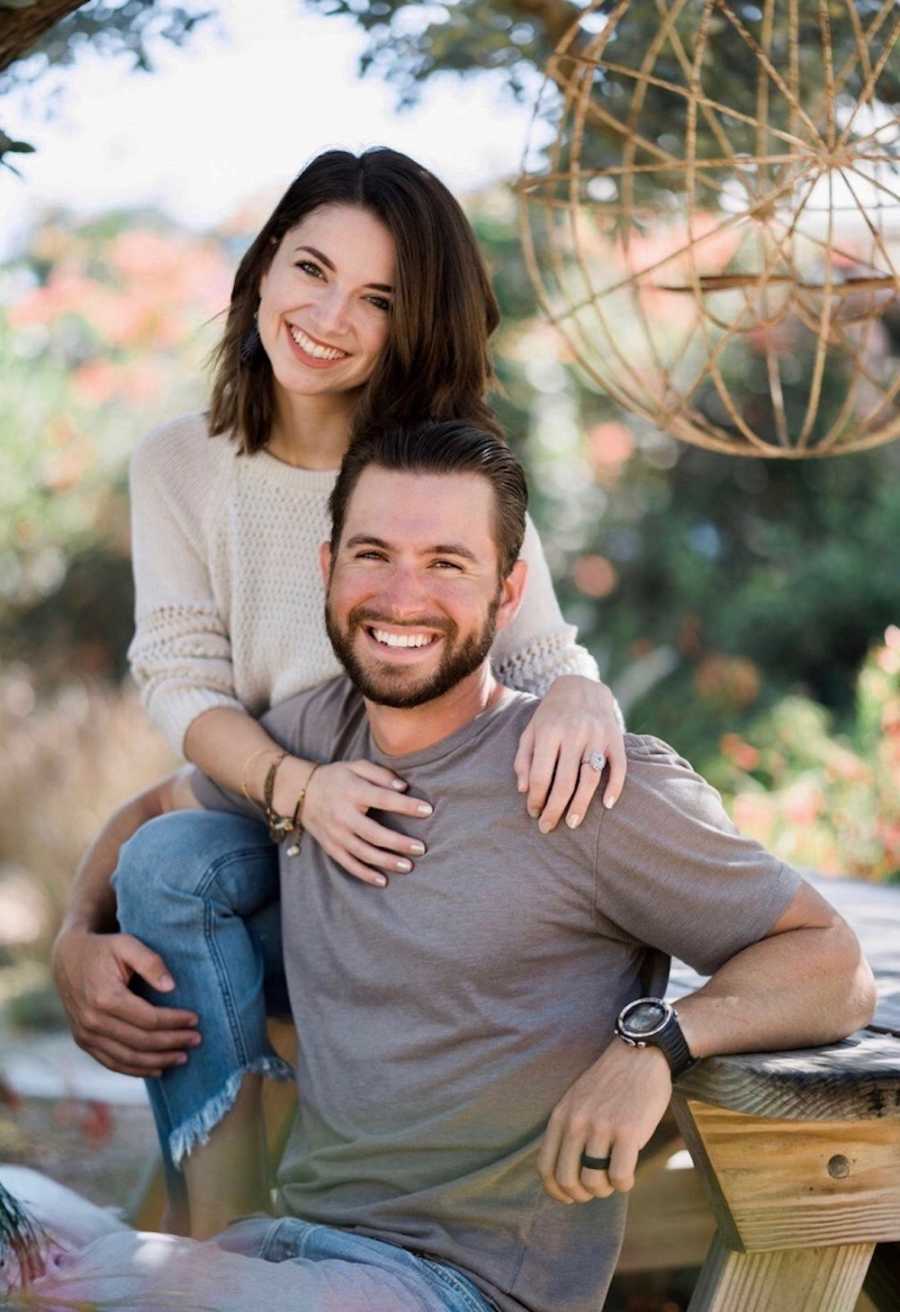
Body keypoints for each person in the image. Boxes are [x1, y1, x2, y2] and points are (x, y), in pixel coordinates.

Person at [20, 421, 874, 1312]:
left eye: (445, 563)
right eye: (374, 554)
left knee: (108, 1295)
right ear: (327, 567)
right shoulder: (318, 737)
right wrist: (77, 937)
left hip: (461, 1290)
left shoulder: (585, 782)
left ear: (508, 596)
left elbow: (830, 961)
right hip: (287, 1249)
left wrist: (655, 1046)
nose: (400, 595)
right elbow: (153, 816)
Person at [51, 146, 628, 1237]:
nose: (328, 316)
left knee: (171, 856)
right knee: (170, 861)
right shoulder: (181, 463)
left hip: (426, 844)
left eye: (377, 299)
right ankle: (219, 1226)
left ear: (412, 326)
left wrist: (585, 696)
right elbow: (179, 684)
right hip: (285, 828)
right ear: (264, 264)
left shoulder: (440, 471)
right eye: (310, 268)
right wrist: (298, 792)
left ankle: (211, 1235)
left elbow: (544, 654)